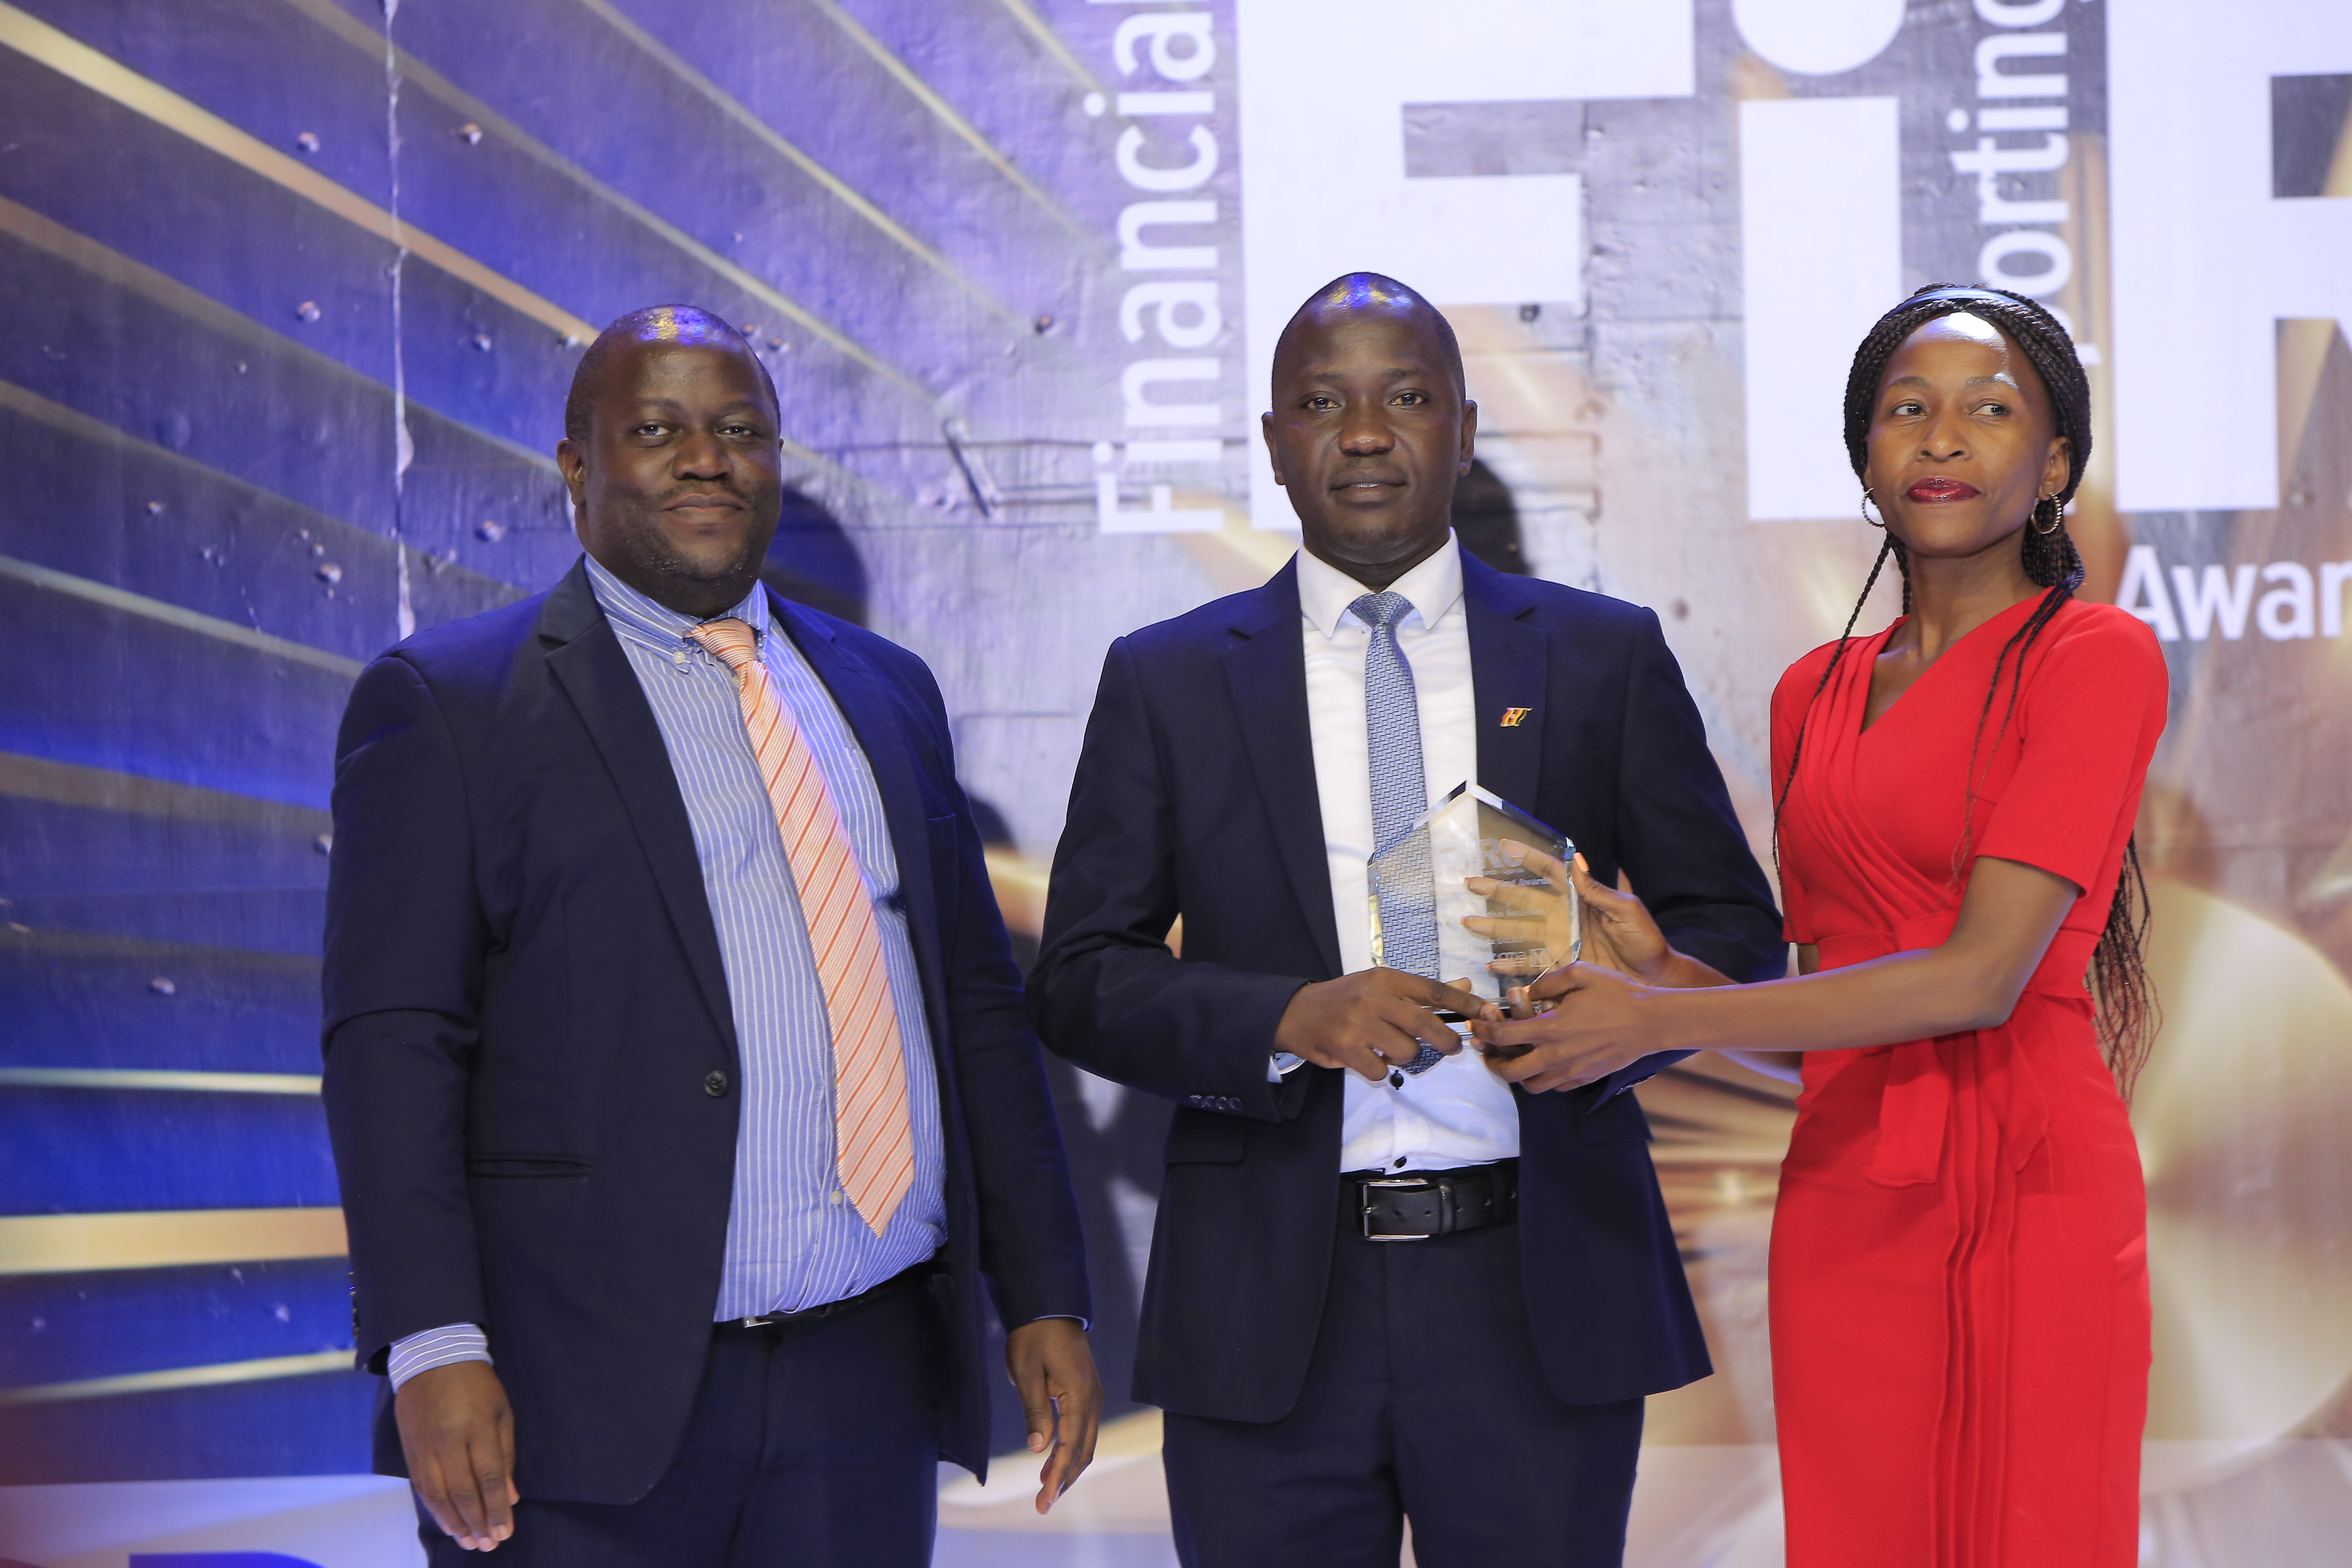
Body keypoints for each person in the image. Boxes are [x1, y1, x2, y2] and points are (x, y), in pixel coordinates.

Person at [321, 305, 1101, 1566]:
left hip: (868, 1376)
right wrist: (433, 1341)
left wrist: (1045, 1290)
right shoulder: (449, 705)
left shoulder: (886, 691)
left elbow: (972, 1010)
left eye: (740, 430)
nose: (705, 457)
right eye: (657, 430)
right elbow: (391, 1044)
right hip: (578, 1396)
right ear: (576, 468)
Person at [1027, 273, 1784, 1567]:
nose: (1365, 433)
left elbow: (1735, 940)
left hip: (1535, 1287)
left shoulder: (1601, 657)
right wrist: (1286, 1017)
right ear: (1274, 443)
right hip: (1269, 1300)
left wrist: (1620, 1023)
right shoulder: (1167, 679)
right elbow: (1079, 979)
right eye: (1322, 402)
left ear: (1467, 431)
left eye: (1408, 399)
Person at [1479, 285, 2163, 1566]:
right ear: (1866, 461)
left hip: (2032, 1192)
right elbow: (1821, 1021)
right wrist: (1660, 966)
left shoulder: (2097, 657)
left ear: (2056, 461)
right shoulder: (1814, 691)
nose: (1943, 439)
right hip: (1846, 1203)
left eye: (1990, 411)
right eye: (1908, 411)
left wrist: (1664, 1016)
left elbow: (1978, 978)